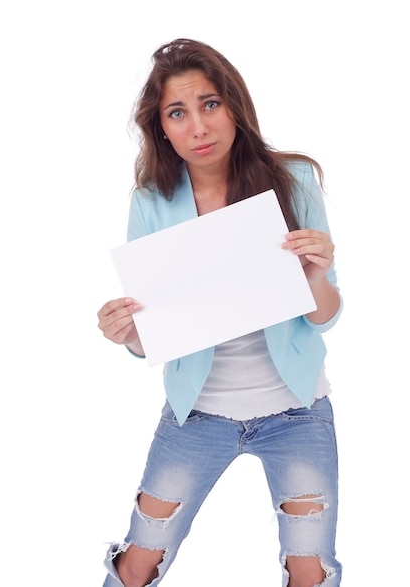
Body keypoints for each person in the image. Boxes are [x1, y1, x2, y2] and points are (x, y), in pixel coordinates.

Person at [97, 38, 343, 587]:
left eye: (210, 105)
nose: (199, 128)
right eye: (177, 113)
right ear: (161, 128)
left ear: (234, 106)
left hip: (297, 410)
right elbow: (150, 336)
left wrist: (317, 275)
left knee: (311, 571)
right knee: (140, 561)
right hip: (197, 414)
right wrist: (128, 333)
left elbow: (325, 316)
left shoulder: (293, 180)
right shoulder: (151, 203)